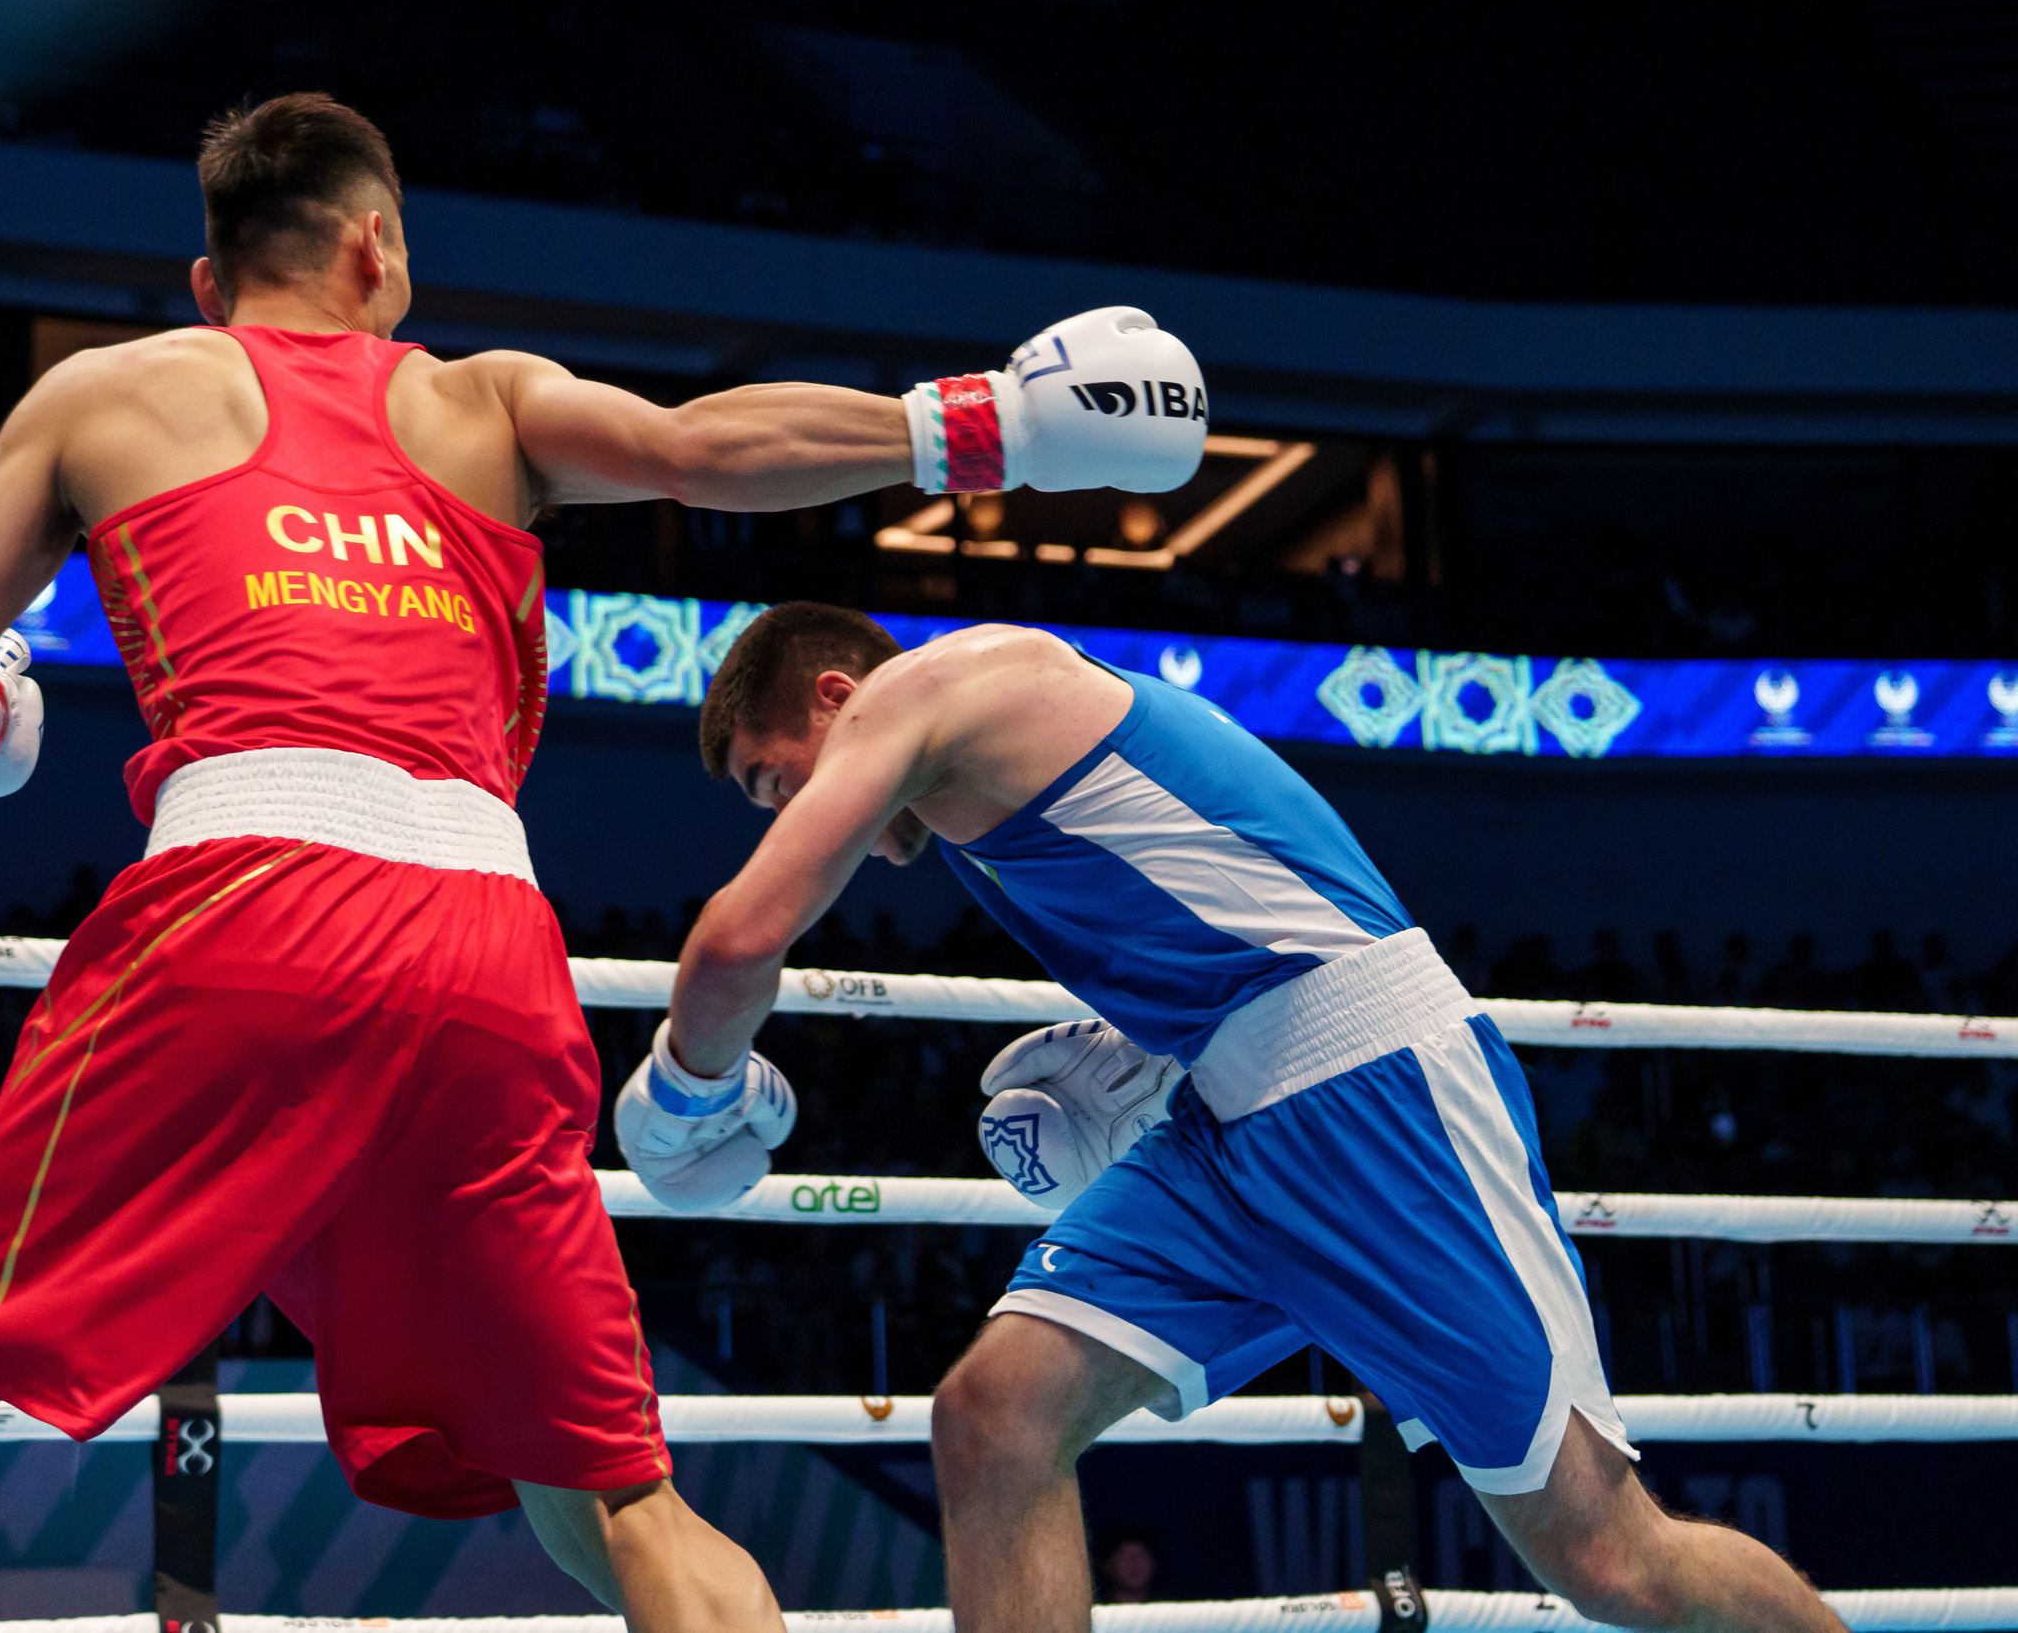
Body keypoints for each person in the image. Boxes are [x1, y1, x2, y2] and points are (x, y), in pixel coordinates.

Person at [0, 90, 1206, 1633]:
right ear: (377, 247)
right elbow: (702, 449)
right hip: (484, 944)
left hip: (239, 915)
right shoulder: (484, 401)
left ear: (213, 285)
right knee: (618, 1495)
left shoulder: (105, 396)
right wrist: (995, 426)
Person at [635, 602, 1844, 1633]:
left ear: (837, 695)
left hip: (1377, 1098)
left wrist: (688, 1097)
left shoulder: (932, 691)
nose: (777, 810)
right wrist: (1141, 1055)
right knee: (995, 1419)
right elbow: (1216, 897)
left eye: (769, 776)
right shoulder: (973, 783)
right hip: (1227, 1125)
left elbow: (740, 941)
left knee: (1607, 1557)